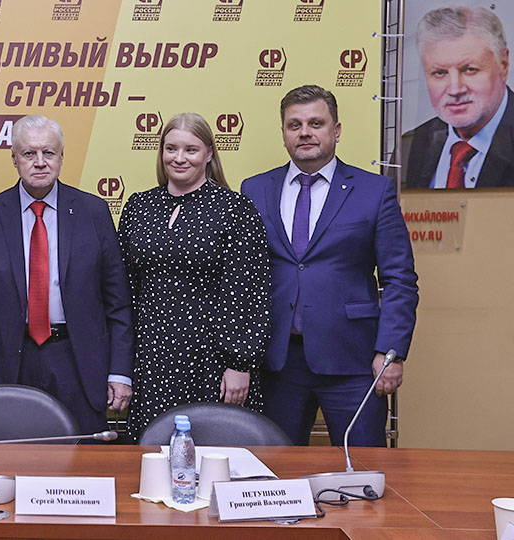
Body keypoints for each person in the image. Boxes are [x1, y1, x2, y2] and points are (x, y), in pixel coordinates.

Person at [241, 85, 418, 447]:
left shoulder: (374, 191)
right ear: (284, 134)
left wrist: (391, 351)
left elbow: (399, 279)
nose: (304, 132)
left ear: (336, 131)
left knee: (363, 467)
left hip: (354, 361)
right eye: (295, 125)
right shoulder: (255, 190)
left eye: (316, 123)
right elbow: (244, 278)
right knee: (275, 470)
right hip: (278, 363)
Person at [0, 114, 134, 433]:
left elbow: (118, 303)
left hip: (79, 360)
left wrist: (119, 372)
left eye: (49, 152)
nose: (40, 162)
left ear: (61, 156)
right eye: (29, 153)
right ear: (14, 159)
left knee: (83, 454)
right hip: (13, 361)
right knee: (16, 453)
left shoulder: (93, 212)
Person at [118, 113, 271, 442]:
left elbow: (250, 291)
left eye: (191, 149)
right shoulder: (138, 207)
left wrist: (240, 363)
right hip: (151, 359)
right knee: (153, 452)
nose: (179, 158)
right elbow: (124, 289)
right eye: (171, 148)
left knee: (214, 454)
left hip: (212, 361)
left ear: (209, 154)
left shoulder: (235, 209)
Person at [404, 5, 514, 188]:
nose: (455, 89)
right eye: (440, 73)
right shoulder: (409, 147)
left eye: (470, 69)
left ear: (503, 64)